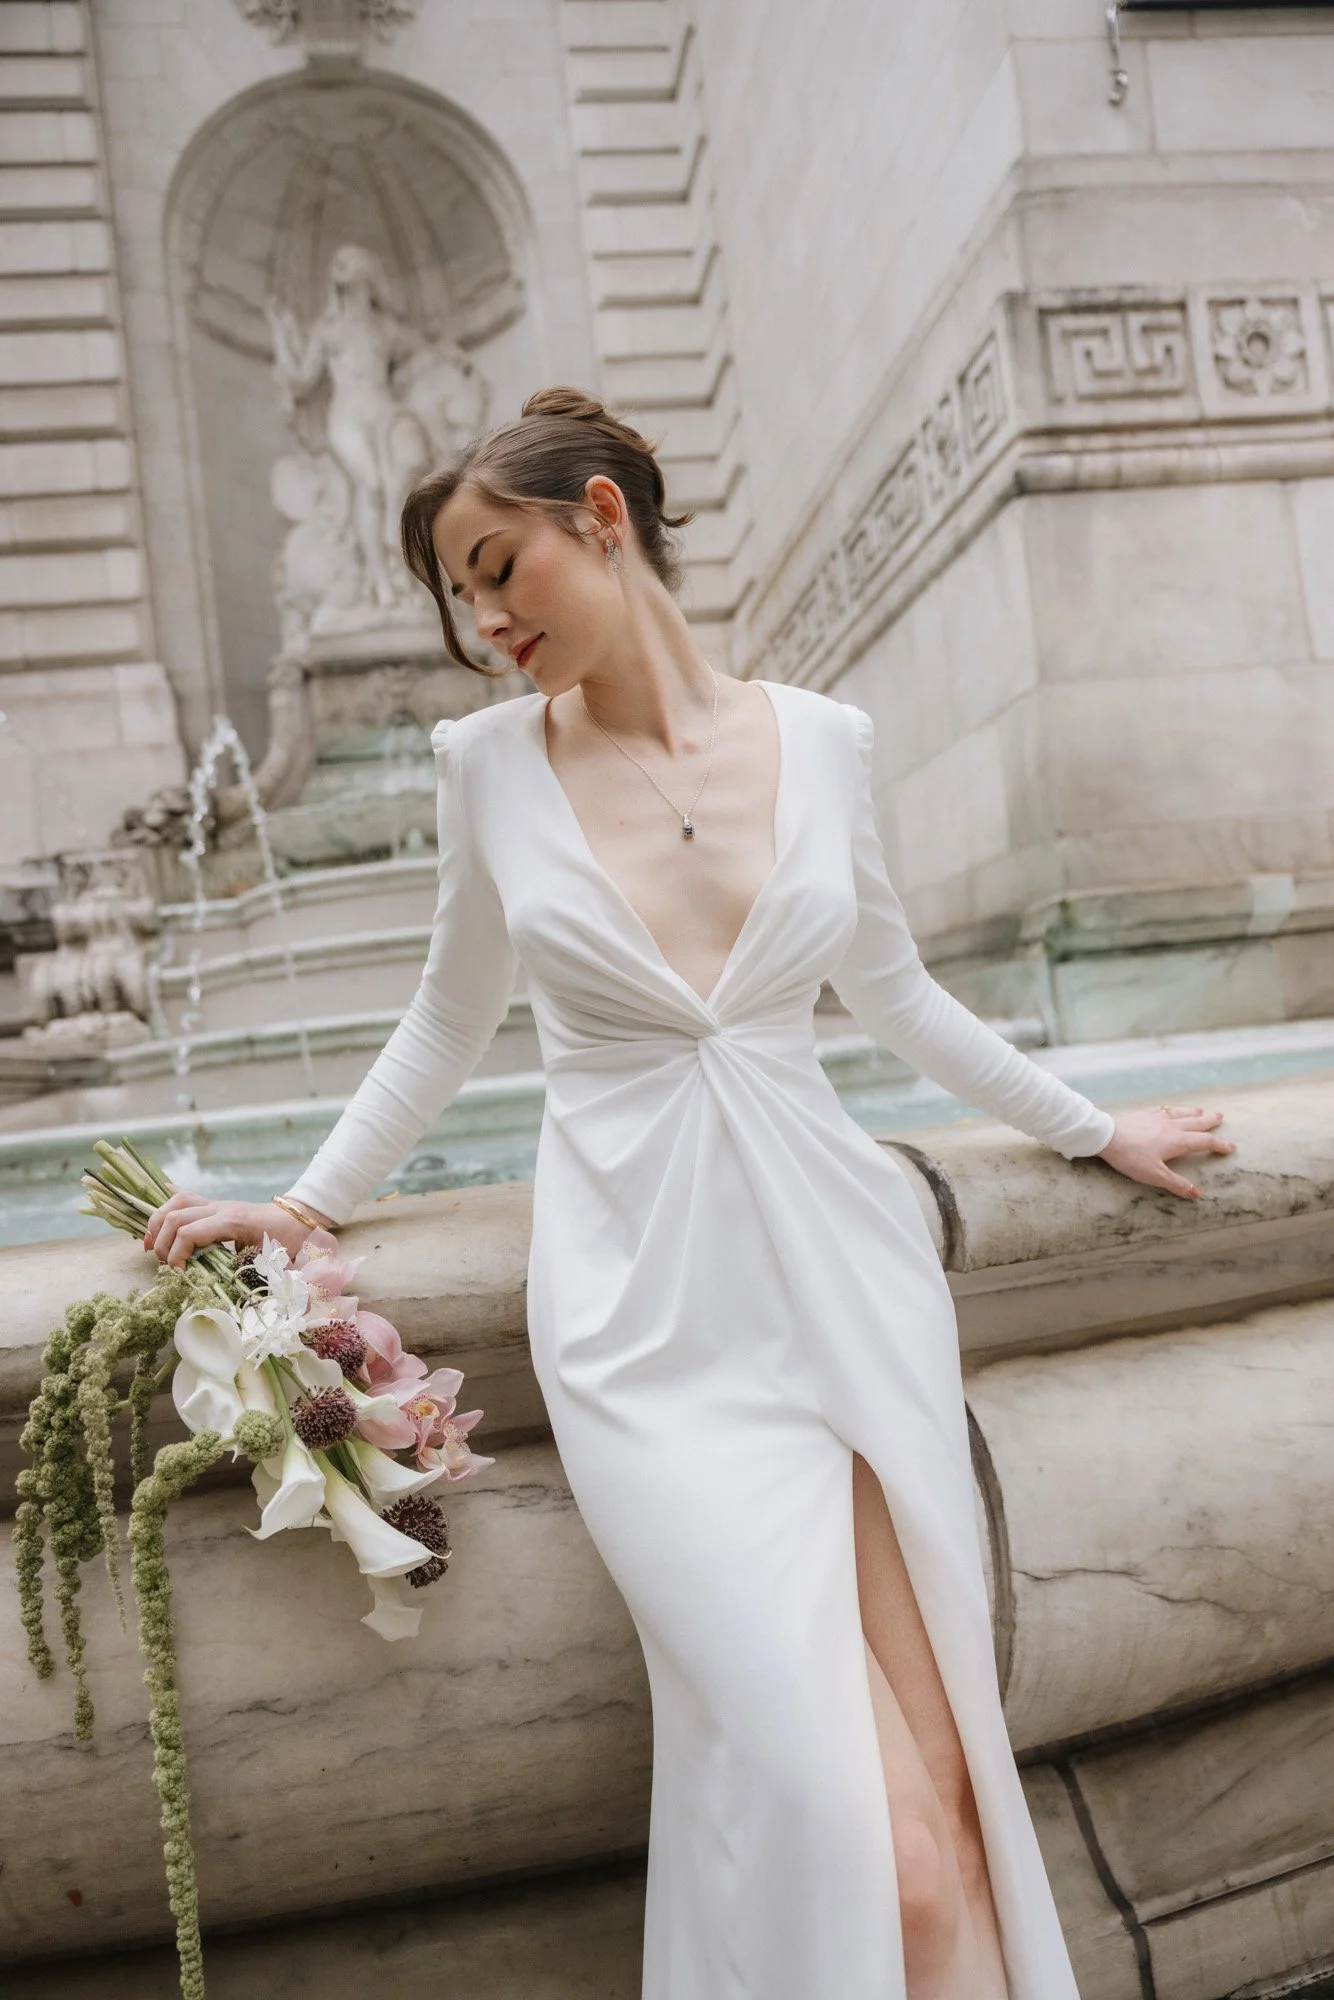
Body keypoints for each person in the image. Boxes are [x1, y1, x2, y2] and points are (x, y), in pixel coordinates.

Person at [144, 387, 1235, 2000]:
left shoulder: (824, 740)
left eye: (499, 568)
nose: (484, 621)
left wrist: (1091, 1128)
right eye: (461, 594)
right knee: (888, 1864)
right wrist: (296, 1212)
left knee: (945, 1811)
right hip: (647, 1337)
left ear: (601, 517)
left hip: (845, 1284)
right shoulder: (486, 769)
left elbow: (900, 994)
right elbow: (444, 1025)